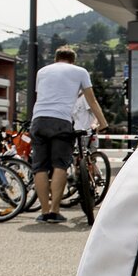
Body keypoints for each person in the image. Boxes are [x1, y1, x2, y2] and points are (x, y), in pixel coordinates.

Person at [30, 46, 107, 223]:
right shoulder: (80, 72)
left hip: (39, 119)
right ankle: (54, 211)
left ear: (56, 58)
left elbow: (40, 96)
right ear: (73, 60)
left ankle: (43, 211)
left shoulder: (42, 71)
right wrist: (102, 122)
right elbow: (91, 100)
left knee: (40, 167)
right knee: (60, 165)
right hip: (61, 121)